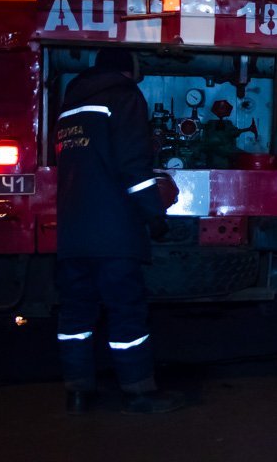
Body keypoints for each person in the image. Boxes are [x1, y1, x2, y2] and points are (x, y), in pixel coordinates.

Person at [53, 47, 184, 415]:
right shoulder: (124, 97)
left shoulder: (70, 107)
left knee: (76, 316)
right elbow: (133, 168)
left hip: (73, 234)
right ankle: (139, 392)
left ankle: (78, 392)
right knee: (126, 312)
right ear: (129, 70)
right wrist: (154, 216)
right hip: (113, 233)